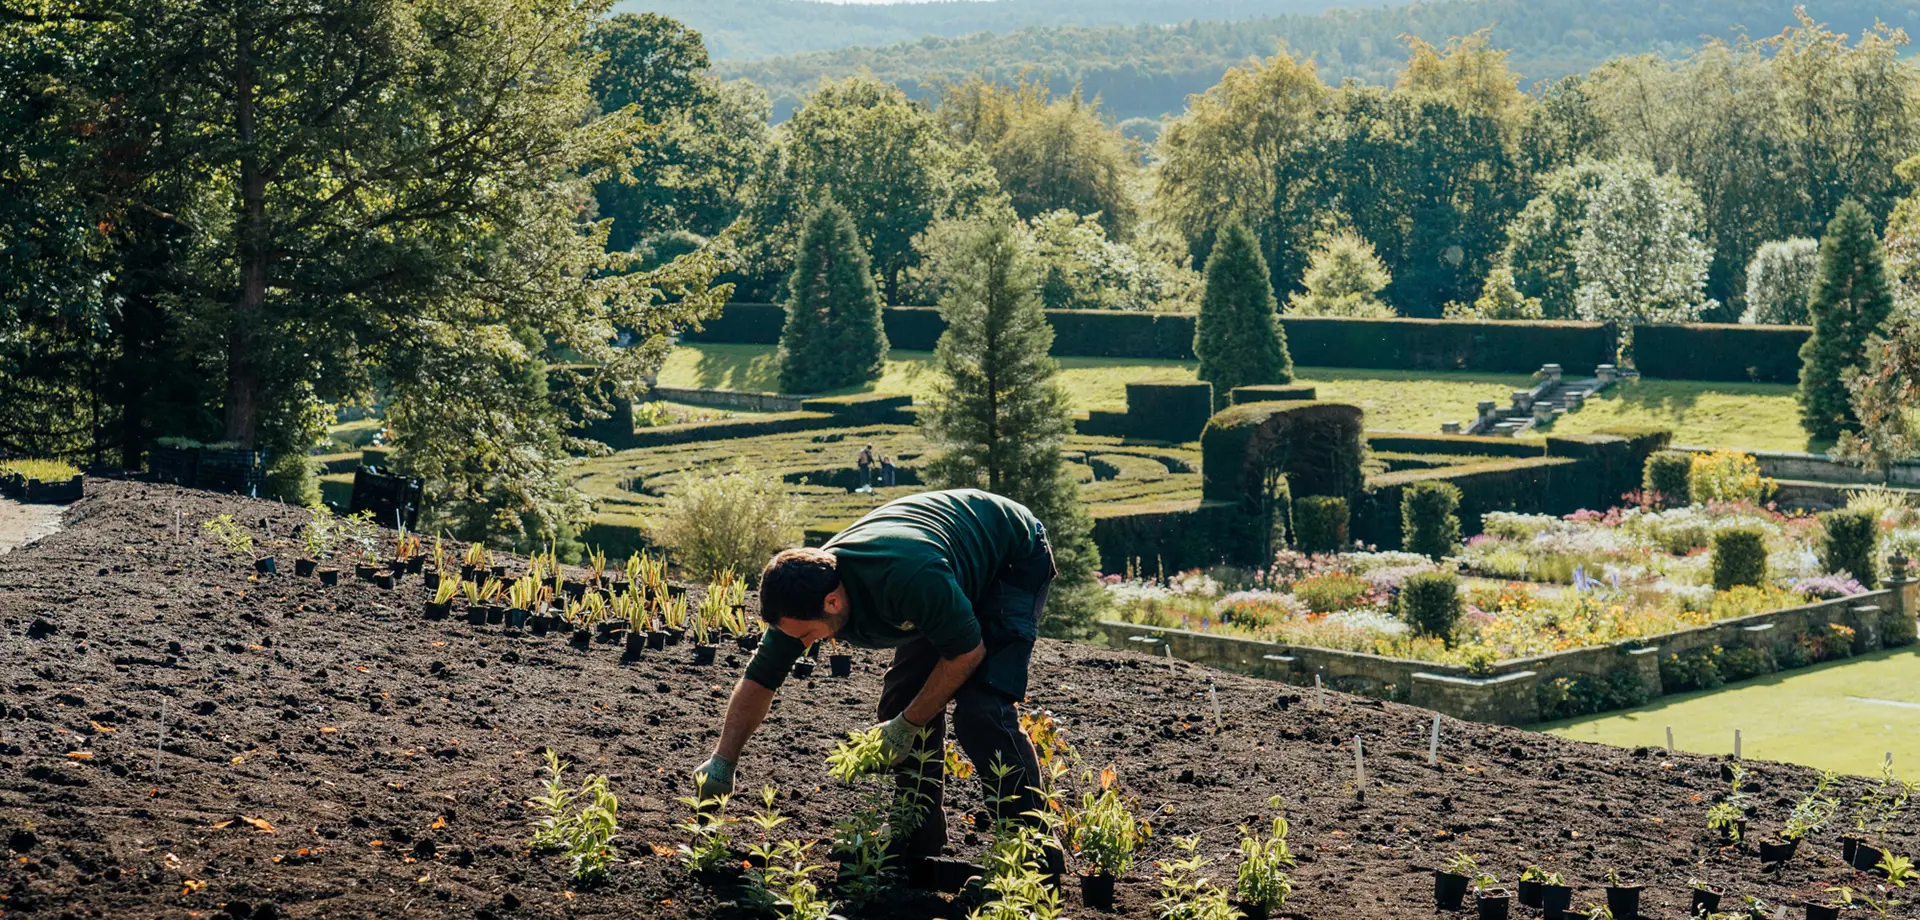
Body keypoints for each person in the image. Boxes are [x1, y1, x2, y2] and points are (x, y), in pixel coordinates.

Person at [693, 489, 1061, 876]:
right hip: (944, 570)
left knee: (982, 711)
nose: (805, 644)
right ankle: (917, 835)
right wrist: (723, 760)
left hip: (1010, 556)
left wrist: (908, 726)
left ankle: (1033, 856)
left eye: (809, 635)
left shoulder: (908, 580)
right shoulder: (800, 597)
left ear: (833, 602)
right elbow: (760, 679)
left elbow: (967, 654)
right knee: (901, 699)